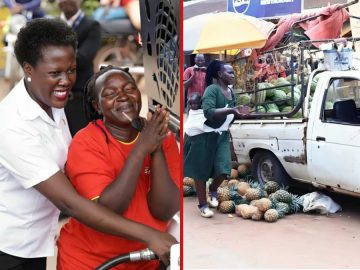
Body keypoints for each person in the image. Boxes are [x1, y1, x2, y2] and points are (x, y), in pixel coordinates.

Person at [0, 18, 176, 270]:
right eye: (55, 73)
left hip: (37, 240)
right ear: (28, 69)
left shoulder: (49, 100)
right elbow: (70, 203)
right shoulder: (12, 125)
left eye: (70, 70)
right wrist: (150, 235)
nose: (66, 81)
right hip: (10, 248)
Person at [56, 65, 180, 269]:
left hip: (146, 259)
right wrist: (141, 149)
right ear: (97, 106)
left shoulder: (160, 136)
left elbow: (164, 210)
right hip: (91, 260)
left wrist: (155, 148)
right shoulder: (86, 142)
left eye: (129, 89)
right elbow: (110, 208)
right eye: (110, 93)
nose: (122, 96)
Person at [183, 60, 249, 218]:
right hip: (203, 136)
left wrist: (241, 112)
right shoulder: (212, 90)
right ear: (220, 74)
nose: (233, 75)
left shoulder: (231, 92)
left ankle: (212, 189)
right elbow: (208, 112)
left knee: (224, 169)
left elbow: (232, 113)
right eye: (230, 72)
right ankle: (203, 205)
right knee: (200, 171)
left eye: (233, 72)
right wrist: (232, 110)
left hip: (221, 134)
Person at [58, 0, 102, 136]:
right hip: (53, 103)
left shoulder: (92, 26)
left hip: (79, 102)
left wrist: (50, 57)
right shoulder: (50, 26)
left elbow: (83, 58)